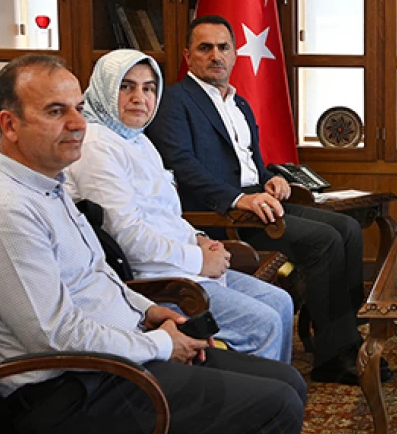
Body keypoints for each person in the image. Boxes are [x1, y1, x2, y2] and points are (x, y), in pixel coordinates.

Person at [0, 55, 309, 434]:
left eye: (77, 107)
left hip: (103, 368)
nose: (77, 123)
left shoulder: (45, 187)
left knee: (285, 382)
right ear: (9, 124)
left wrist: (147, 310)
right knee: (274, 407)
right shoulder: (4, 212)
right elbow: (53, 335)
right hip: (68, 391)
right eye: (55, 111)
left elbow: (97, 276)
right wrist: (159, 343)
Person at [146, 15, 390, 386]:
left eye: (223, 47)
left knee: (348, 229)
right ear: (188, 56)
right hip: (219, 215)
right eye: (205, 48)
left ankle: (348, 342)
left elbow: (250, 164)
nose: (216, 56)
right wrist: (236, 199)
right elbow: (181, 165)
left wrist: (271, 178)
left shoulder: (239, 103)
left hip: (258, 204)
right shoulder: (175, 101)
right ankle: (331, 358)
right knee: (323, 241)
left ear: (234, 54)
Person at [65, 49, 295, 365]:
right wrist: (198, 259)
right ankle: (255, 406)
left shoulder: (137, 139)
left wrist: (199, 238)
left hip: (184, 265)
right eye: (126, 86)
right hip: (157, 283)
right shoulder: (96, 146)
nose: (139, 98)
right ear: (104, 88)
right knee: (263, 322)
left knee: (280, 301)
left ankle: (274, 402)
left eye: (148, 88)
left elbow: (166, 215)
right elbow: (128, 239)